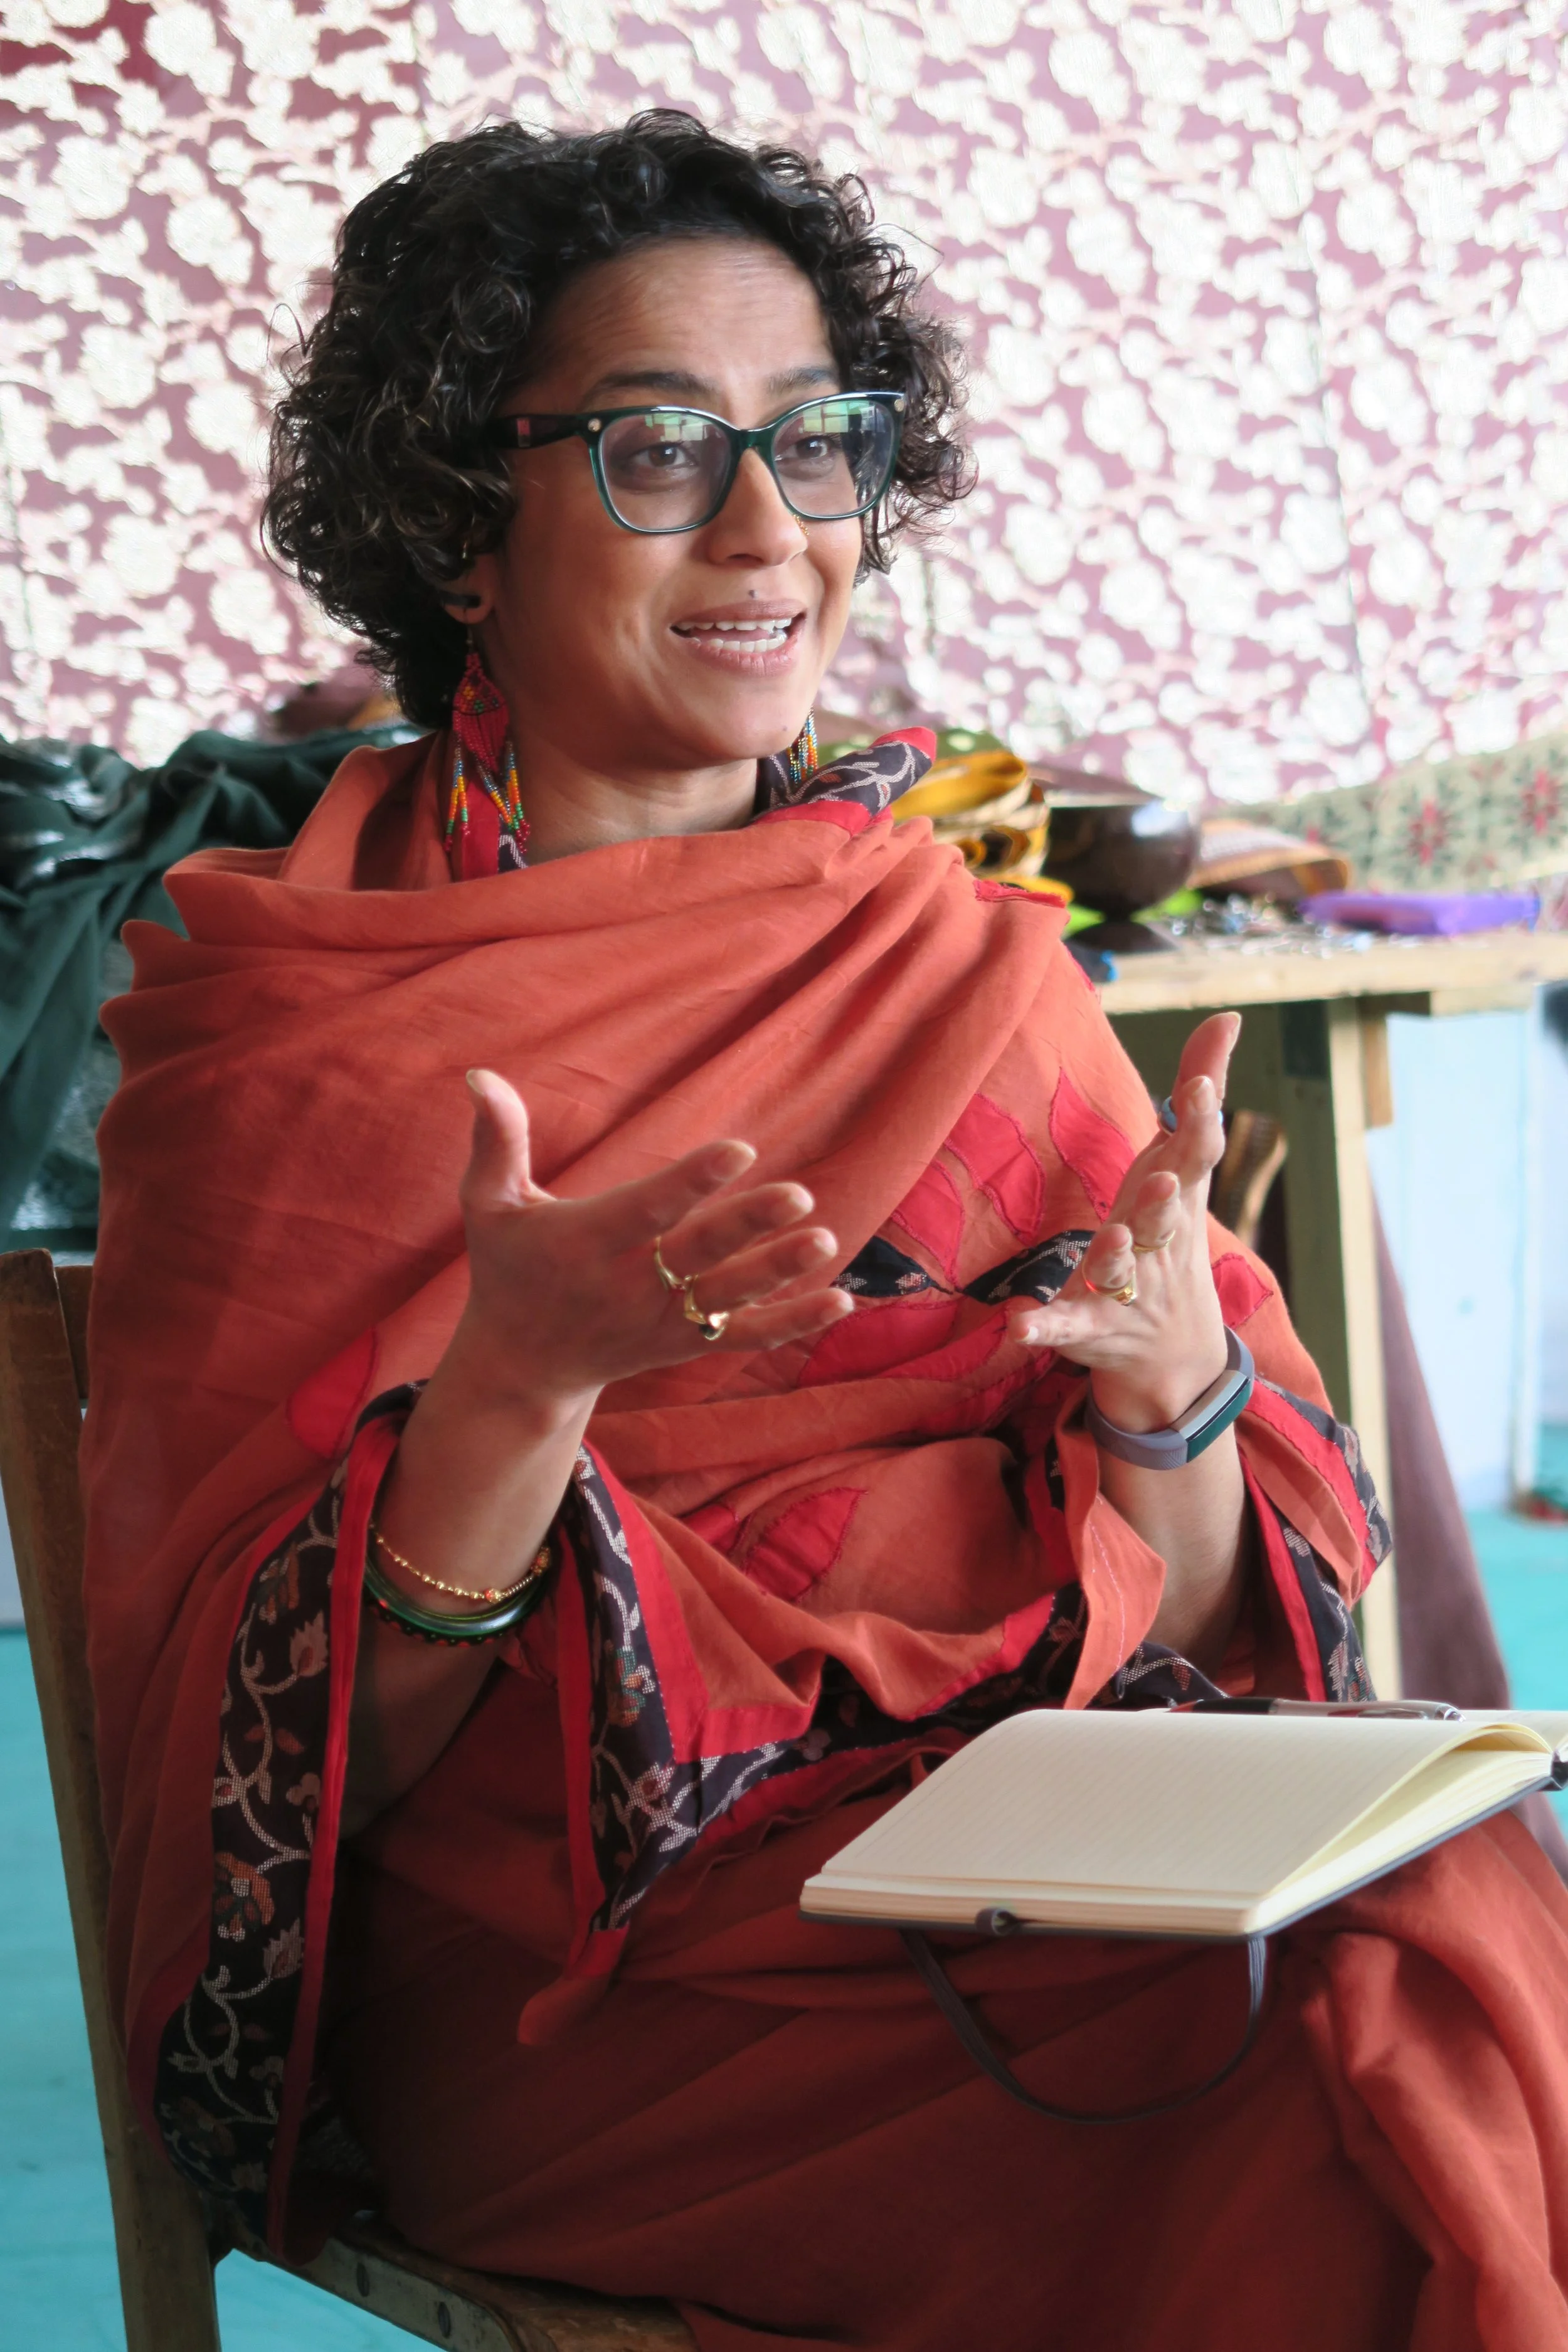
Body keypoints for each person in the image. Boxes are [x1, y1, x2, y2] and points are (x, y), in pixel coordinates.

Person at [82, 114, 1568, 2352]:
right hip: (605, 1992)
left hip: (1045, 1851)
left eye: (815, 442)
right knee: (1339, 2097)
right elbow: (283, 1795)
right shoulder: (295, 1044)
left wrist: (1172, 1400)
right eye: (659, 450)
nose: (770, 527)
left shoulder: (957, 960)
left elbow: (1209, 1615)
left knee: (1432, 1956)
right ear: (460, 523)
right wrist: (514, 1390)